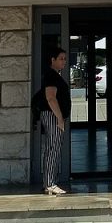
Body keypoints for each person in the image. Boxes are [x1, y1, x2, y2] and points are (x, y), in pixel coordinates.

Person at [40, 46, 70, 195]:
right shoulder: (51, 76)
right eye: (61, 58)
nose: (64, 61)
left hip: (54, 115)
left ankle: (49, 182)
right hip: (52, 116)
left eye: (65, 59)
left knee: (53, 148)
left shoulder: (54, 75)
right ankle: (50, 183)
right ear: (53, 60)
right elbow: (51, 98)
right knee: (53, 148)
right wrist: (59, 118)